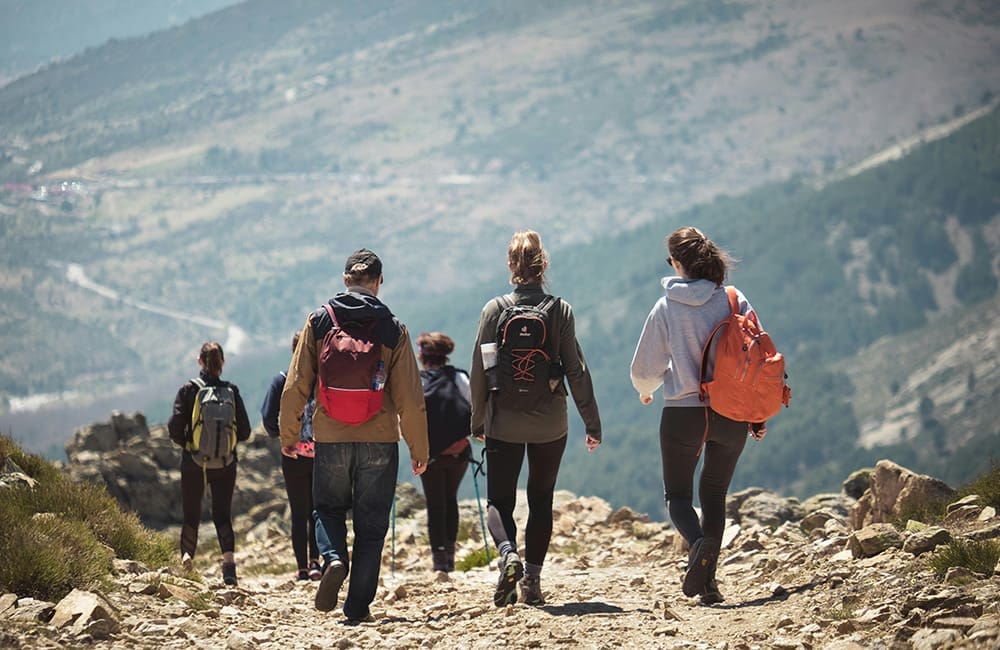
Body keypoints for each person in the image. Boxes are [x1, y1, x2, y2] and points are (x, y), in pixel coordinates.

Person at [279, 248, 429, 622]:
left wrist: (289, 434)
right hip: (379, 439)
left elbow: (296, 385)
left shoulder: (318, 323)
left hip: (330, 437)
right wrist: (418, 447)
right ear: (378, 282)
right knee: (372, 524)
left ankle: (332, 558)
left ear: (346, 280)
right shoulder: (393, 329)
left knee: (327, 508)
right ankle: (358, 606)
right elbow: (410, 396)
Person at [629, 226, 766, 605]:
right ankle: (710, 582)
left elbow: (645, 370)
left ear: (676, 263)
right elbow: (757, 359)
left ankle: (700, 546)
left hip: (683, 412)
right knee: (715, 494)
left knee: (677, 495)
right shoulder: (735, 301)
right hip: (731, 412)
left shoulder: (666, 307)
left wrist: (646, 391)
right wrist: (755, 412)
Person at [469, 230, 603, 607]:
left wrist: (477, 420)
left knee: (499, 500)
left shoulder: (494, 310)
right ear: (543, 266)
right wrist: (591, 422)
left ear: (511, 266)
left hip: (504, 422)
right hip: (550, 423)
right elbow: (575, 369)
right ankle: (532, 583)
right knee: (541, 500)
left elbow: (481, 369)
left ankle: (508, 554)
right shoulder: (560, 310)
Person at [167, 341, 252, 586]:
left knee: (191, 515)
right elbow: (245, 431)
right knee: (222, 515)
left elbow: (174, 428)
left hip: (194, 461)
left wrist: (190, 446)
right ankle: (229, 566)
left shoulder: (189, 390)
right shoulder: (231, 391)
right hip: (226, 462)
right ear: (223, 363)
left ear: (199, 362)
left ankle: (187, 559)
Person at [261, 332, 322, 581]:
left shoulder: (283, 380)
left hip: (293, 454)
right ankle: (317, 561)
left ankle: (301, 568)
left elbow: (267, 417)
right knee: (318, 510)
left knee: (298, 512)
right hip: (323, 454)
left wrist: (283, 436)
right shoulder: (323, 379)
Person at [416, 331, 472, 573]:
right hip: (459, 452)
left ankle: (439, 560)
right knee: (450, 499)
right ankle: (450, 555)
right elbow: (475, 407)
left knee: (434, 503)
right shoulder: (459, 377)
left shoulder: (417, 381)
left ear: (422, 355)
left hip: (429, 453)